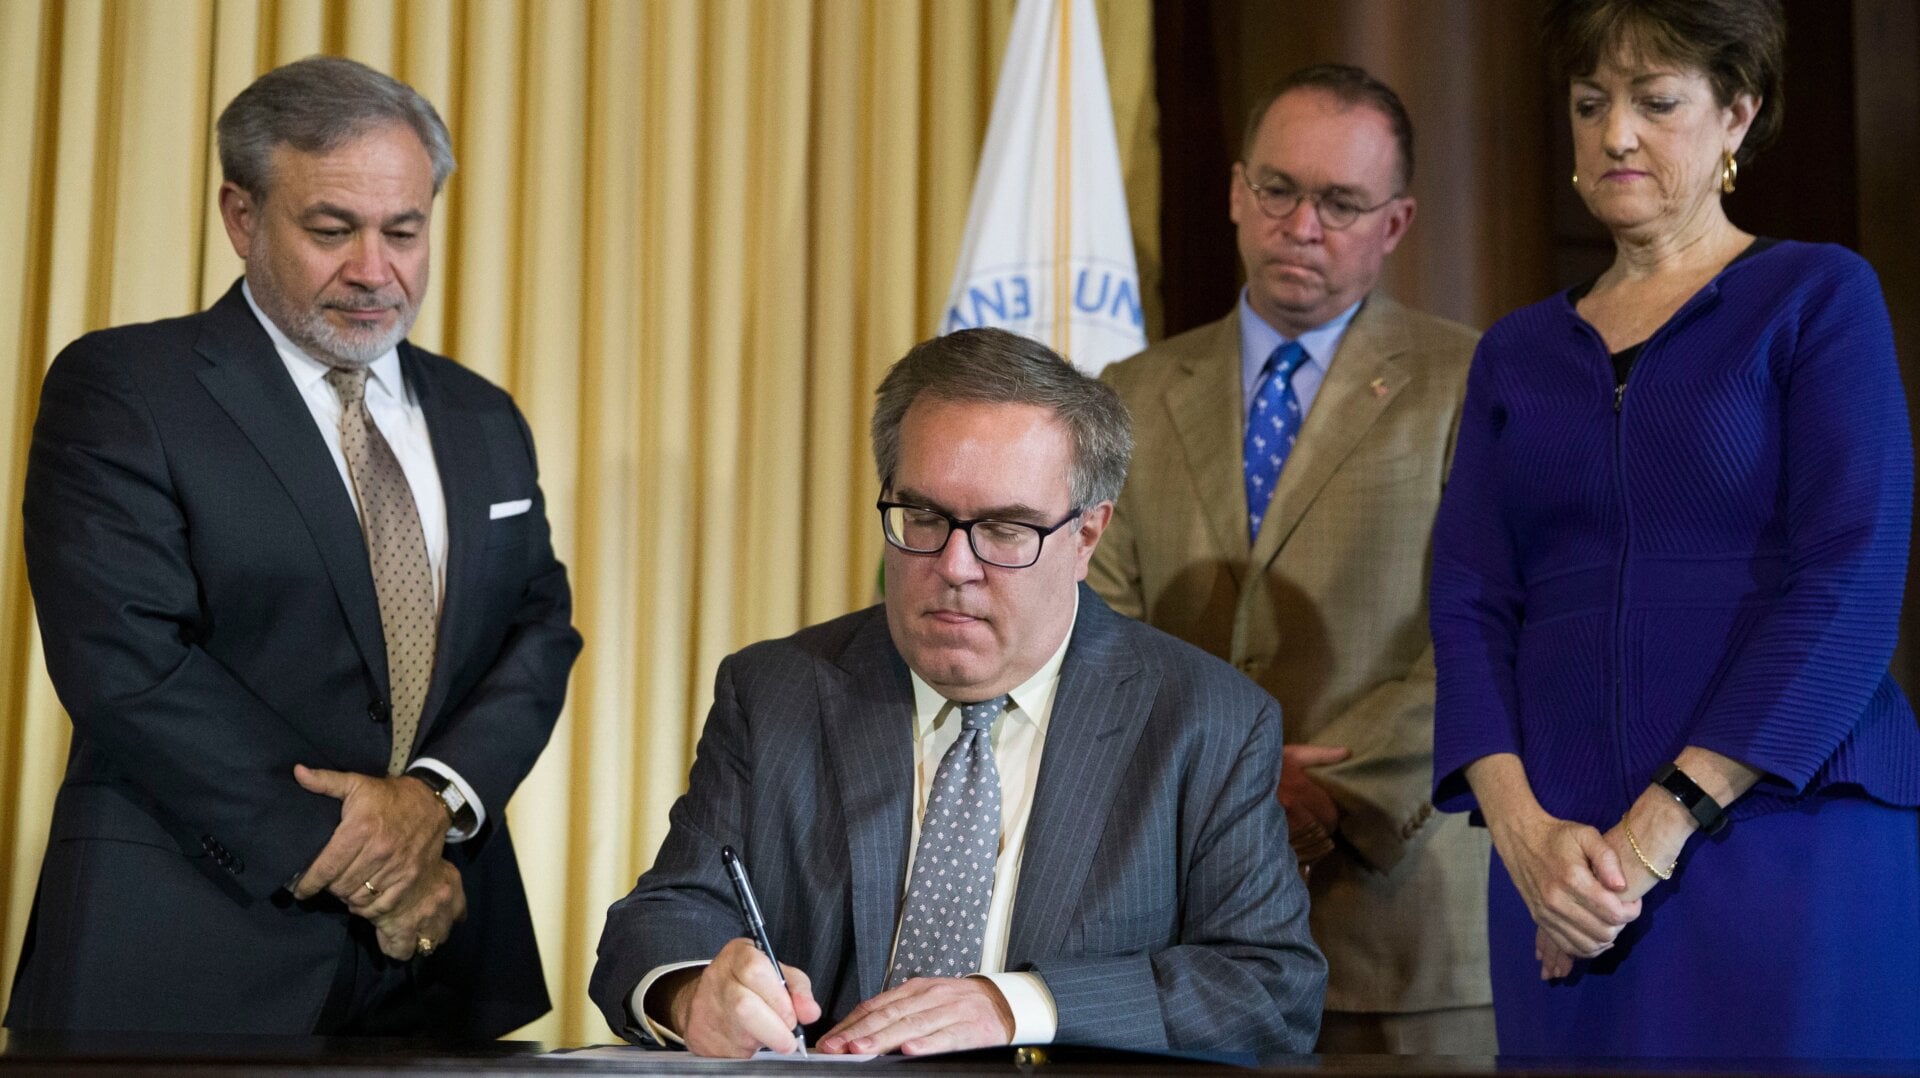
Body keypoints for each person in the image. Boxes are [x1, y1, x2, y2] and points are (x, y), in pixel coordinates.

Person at [7, 56, 580, 1037]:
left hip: (439, 960)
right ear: (241, 217)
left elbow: (538, 629)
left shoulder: (484, 417)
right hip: (182, 958)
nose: (374, 269)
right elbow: (126, 660)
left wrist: (436, 802)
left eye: (403, 231)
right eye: (331, 229)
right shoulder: (126, 387)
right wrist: (374, 858)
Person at [590, 328, 1326, 1059]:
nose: (954, 566)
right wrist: (693, 991)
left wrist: (1015, 1004)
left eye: (1004, 529)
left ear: (1087, 537)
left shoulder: (1205, 721)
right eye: (923, 518)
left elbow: (1267, 987)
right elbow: (663, 917)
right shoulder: (777, 690)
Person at [1430, 0, 1920, 1058]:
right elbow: (1468, 604)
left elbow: (1852, 580)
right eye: (1589, 104)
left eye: (1656, 102)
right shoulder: (1514, 352)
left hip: (1784, 834)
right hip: (1561, 870)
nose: (1615, 134)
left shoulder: (1818, 295)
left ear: (1737, 114)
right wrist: (1522, 834)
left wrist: (1657, 831)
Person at [1089, 64, 1492, 1054]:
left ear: (1395, 224)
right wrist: (1230, 786)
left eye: (1341, 203)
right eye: (1279, 190)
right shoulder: (1129, 389)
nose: (1302, 226)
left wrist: (1327, 794)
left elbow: (1486, 631)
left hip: (1399, 926)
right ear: (1237, 191)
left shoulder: (1475, 380)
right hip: (1177, 931)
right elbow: (1096, 631)